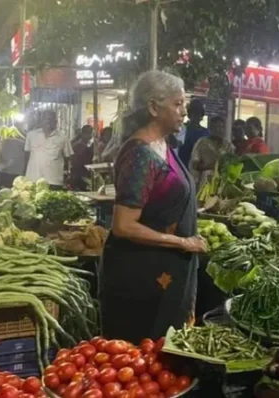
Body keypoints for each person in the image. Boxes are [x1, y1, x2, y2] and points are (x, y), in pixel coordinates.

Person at [100, 70, 208, 342]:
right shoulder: (139, 154)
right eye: (177, 103)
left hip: (163, 273)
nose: (184, 111)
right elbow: (124, 226)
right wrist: (181, 242)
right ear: (153, 107)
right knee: (143, 357)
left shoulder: (162, 145)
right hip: (142, 279)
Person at [24, 110, 74, 189]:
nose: (48, 121)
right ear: (41, 121)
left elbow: (68, 157)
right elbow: (26, 155)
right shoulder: (31, 135)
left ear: (56, 122)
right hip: (33, 180)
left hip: (54, 182)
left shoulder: (63, 138)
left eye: (51, 119)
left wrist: (66, 175)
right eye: (46, 119)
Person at [189, 116, 235, 188]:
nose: (218, 129)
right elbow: (194, 164)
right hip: (205, 181)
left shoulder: (229, 146)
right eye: (215, 127)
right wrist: (211, 166)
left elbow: (233, 165)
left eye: (221, 127)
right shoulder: (202, 142)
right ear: (210, 128)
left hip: (223, 183)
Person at [177, 99, 209, 167]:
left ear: (202, 115)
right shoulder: (181, 129)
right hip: (182, 166)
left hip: (199, 169)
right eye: (194, 114)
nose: (196, 117)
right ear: (189, 114)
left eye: (199, 114)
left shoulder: (206, 132)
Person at [70, 125, 95, 191]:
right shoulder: (78, 145)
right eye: (88, 133)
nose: (90, 136)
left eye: (90, 134)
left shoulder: (86, 145)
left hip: (83, 173)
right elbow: (78, 162)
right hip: (79, 175)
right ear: (83, 134)